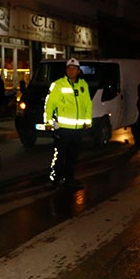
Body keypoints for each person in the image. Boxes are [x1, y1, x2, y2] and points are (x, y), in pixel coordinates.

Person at [44, 58, 92, 190]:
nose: (71, 71)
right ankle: (56, 179)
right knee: (60, 155)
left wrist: (88, 121)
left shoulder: (83, 85)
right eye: (69, 68)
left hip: (77, 130)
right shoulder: (58, 85)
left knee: (73, 156)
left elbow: (88, 104)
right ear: (66, 70)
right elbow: (50, 105)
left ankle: (69, 179)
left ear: (78, 71)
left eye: (74, 69)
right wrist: (48, 122)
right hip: (63, 129)